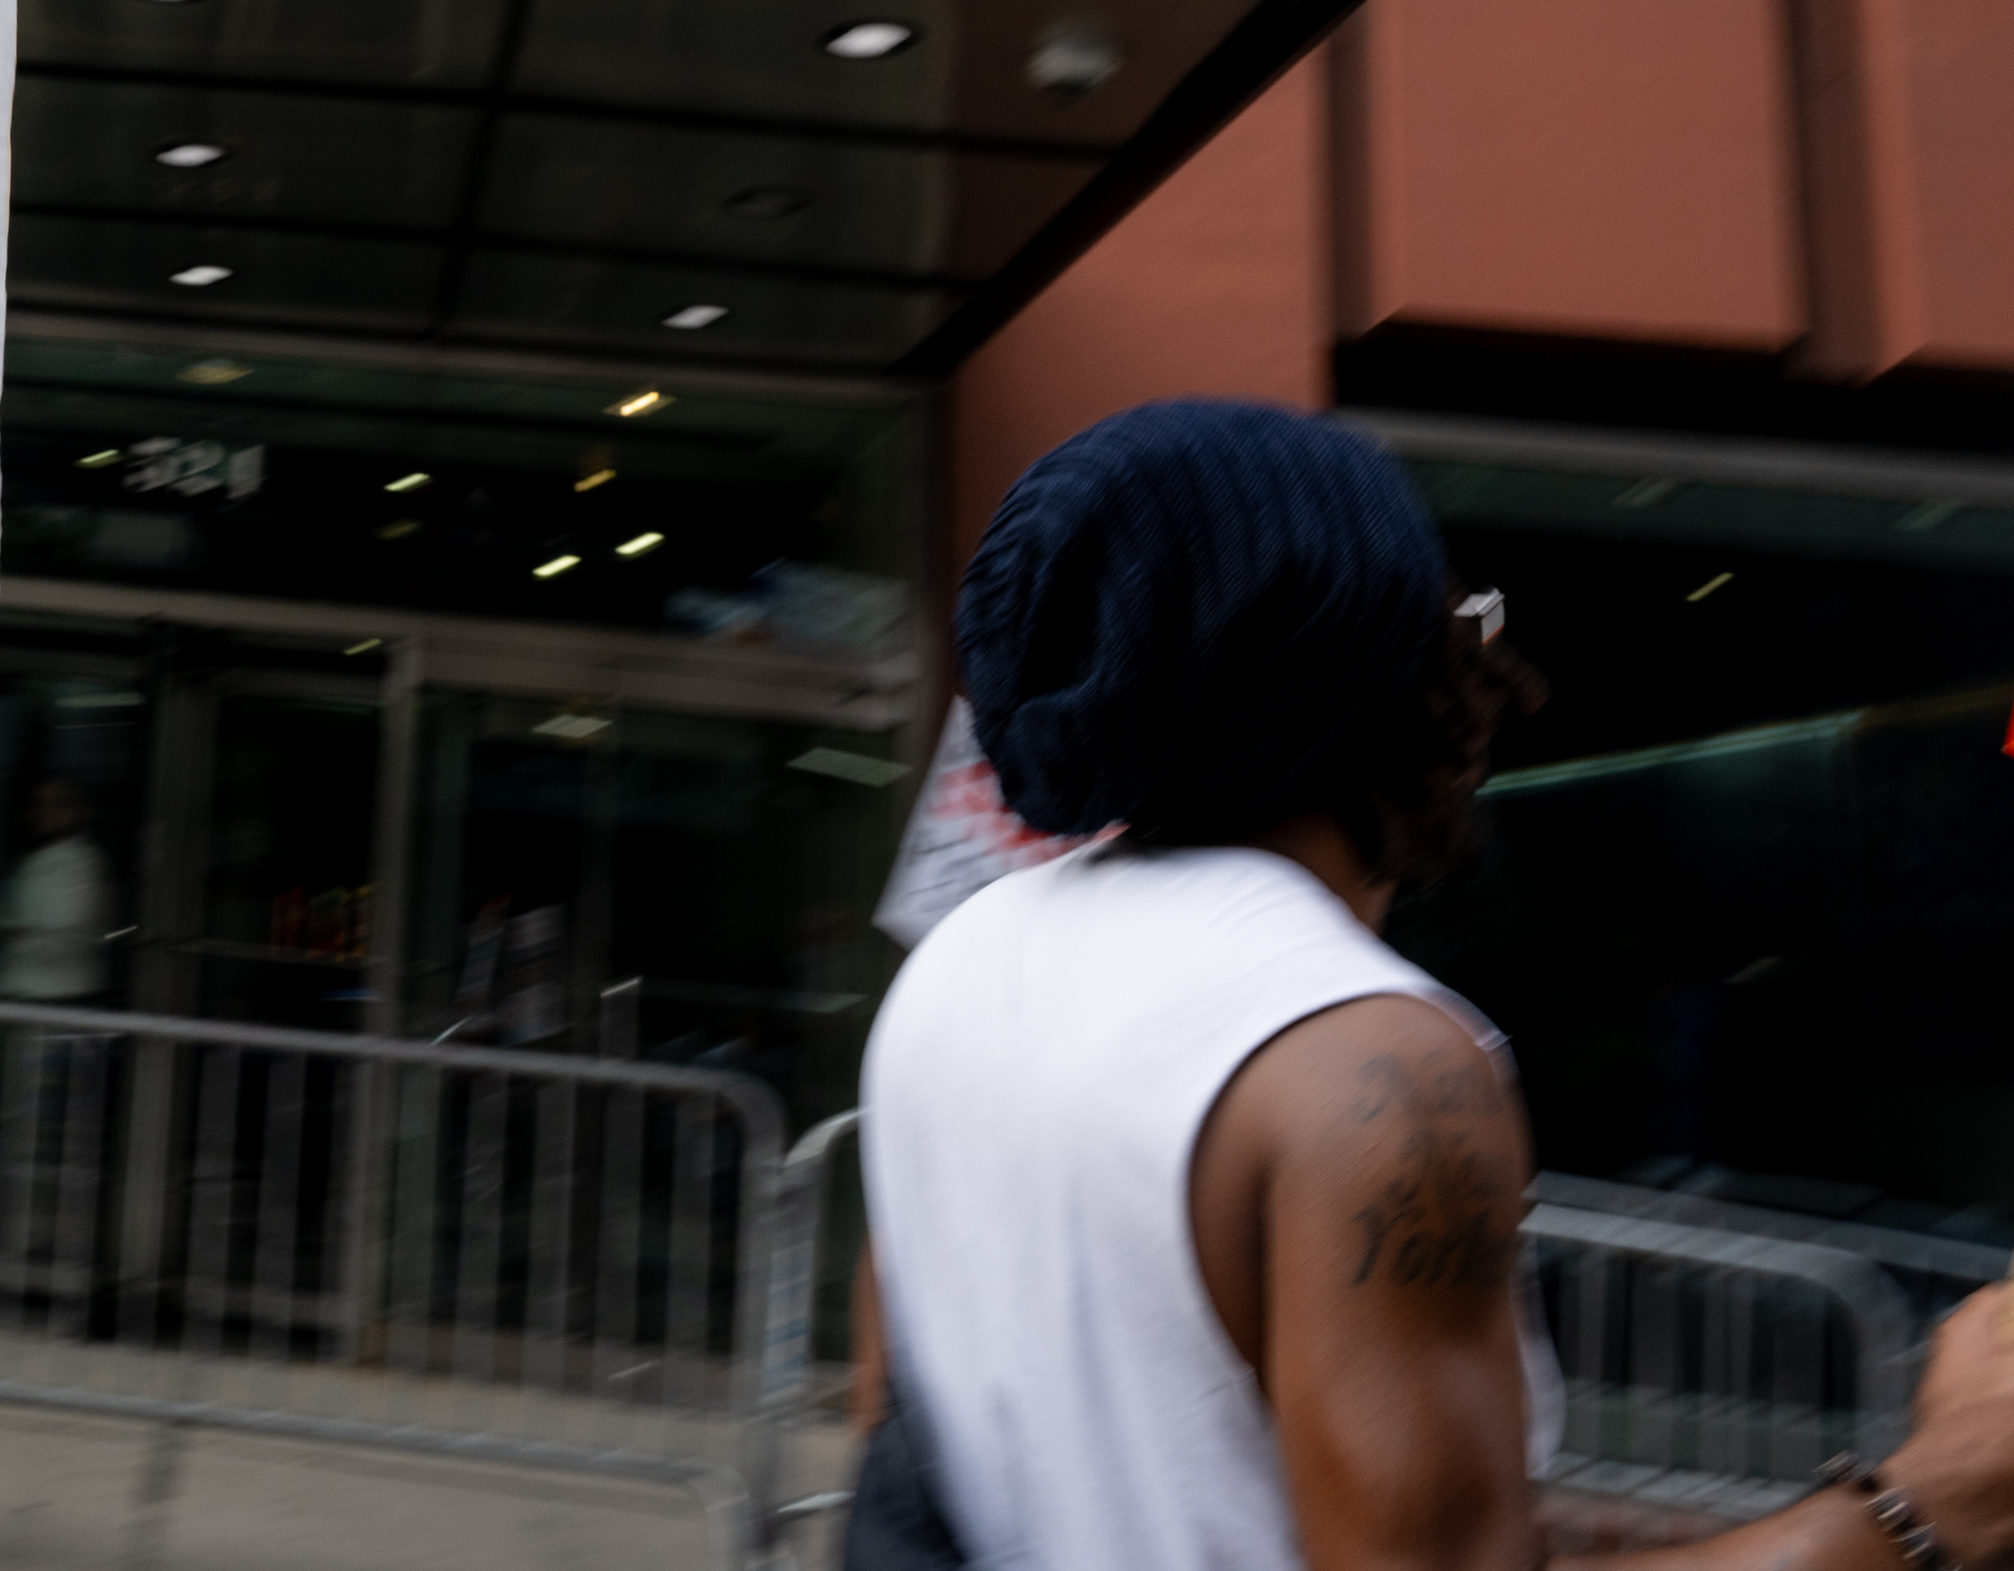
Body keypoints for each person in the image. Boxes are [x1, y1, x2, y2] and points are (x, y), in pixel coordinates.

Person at [860, 398, 2014, 1571]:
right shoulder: (1368, 1062)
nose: (1494, 669)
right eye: (1462, 618)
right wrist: (1942, 1495)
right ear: (1356, 663)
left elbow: (1187, 1479)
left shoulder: (968, 957)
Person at [0, 777, 114, 1006]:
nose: (42, 813)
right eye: (37, 805)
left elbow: (59, 934)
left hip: (59, 997)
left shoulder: (83, 865)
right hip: (28, 993)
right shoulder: (34, 860)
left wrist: (4, 930)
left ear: (79, 811)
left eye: (57, 805)